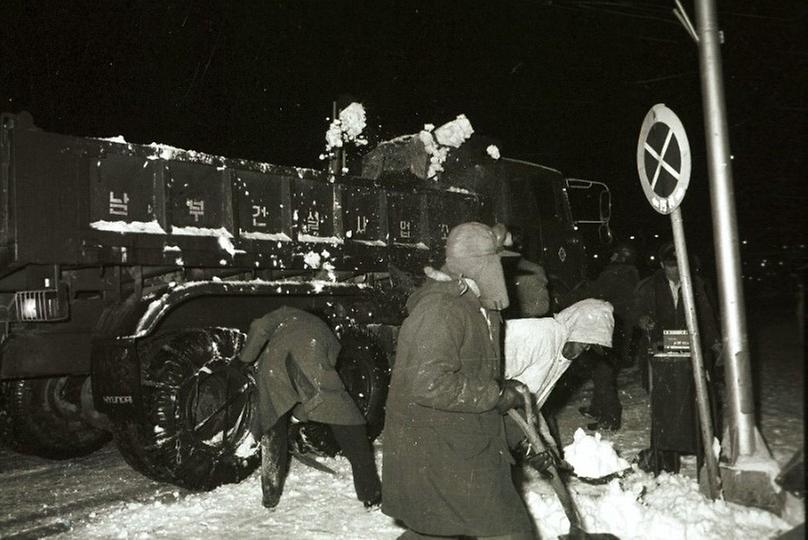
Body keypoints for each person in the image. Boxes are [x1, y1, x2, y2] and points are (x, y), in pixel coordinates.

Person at [382, 222, 535, 540]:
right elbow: (428, 383)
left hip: (461, 442)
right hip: (442, 449)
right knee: (509, 530)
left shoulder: (475, 304)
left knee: (437, 529)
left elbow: (472, 369)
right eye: (499, 262)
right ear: (483, 265)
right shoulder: (442, 311)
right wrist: (494, 394)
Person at [238, 306, 381, 509]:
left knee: (273, 432)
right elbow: (316, 393)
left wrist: (244, 360)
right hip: (311, 365)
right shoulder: (329, 336)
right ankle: (371, 495)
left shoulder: (285, 313)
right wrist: (301, 415)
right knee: (352, 428)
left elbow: (260, 326)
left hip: (272, 368)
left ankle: (270, 498)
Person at [631, 242, 722, 474]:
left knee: (695, 402)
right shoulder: (649, 286)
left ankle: (701, 451)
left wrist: (714, 343)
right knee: (665, 407)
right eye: (671, 266)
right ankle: (667, 459)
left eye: (679, 265)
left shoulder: (696, 285)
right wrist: (642, 319)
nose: (675, 270)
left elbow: (707, 316)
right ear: (662, 265)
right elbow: (636, 311)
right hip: (660, 352)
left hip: (690, 351)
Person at [503, 299, 615, 455]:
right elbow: (488, 367)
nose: (585, 350)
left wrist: (549, 447)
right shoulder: (539, 334)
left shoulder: (563, 353)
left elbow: (534, 402)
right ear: (575, 329)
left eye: (589, 347)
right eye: (584, 344)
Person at [576, 242, 640, 431]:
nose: (611, 257)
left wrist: (582, 289)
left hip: (608, 328)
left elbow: (595, 294)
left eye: (615, 255)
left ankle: (611, 416)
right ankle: (597, 408)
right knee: (602, 369)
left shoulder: (614, 273)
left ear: (621, 257)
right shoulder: (630, 274)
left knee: (603, 371)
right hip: (619, 328)